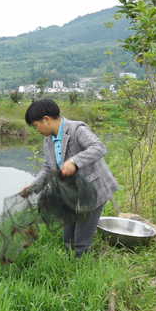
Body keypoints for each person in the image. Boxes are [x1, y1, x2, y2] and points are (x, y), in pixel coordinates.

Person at [21, 99, 119, 258]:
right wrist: (33, 186)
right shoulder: (48, 141)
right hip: (71, 194)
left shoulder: (76, 129)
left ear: (46, 119)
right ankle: (69, 266)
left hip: (92, 191)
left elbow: (99, 148)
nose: (35, 129)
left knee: (81, 241)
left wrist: (74, 162)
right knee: (67, 238)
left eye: (35, 124)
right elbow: (48, 167)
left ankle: (82, 271)